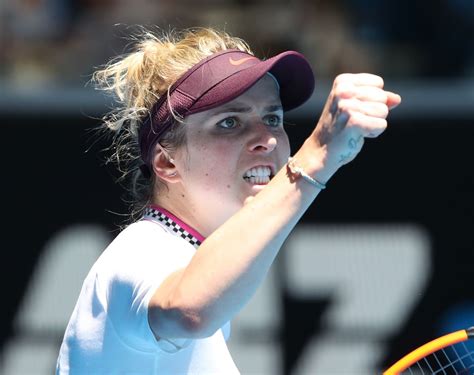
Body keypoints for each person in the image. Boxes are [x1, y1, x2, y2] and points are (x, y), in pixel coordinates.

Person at [56, 27, 401, 374]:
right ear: (167, 162)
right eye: (229, 122)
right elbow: (189, 311)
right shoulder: (143, 250)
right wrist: (316, 156)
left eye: (272, 118)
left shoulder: (186, 259)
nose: (266, 139)